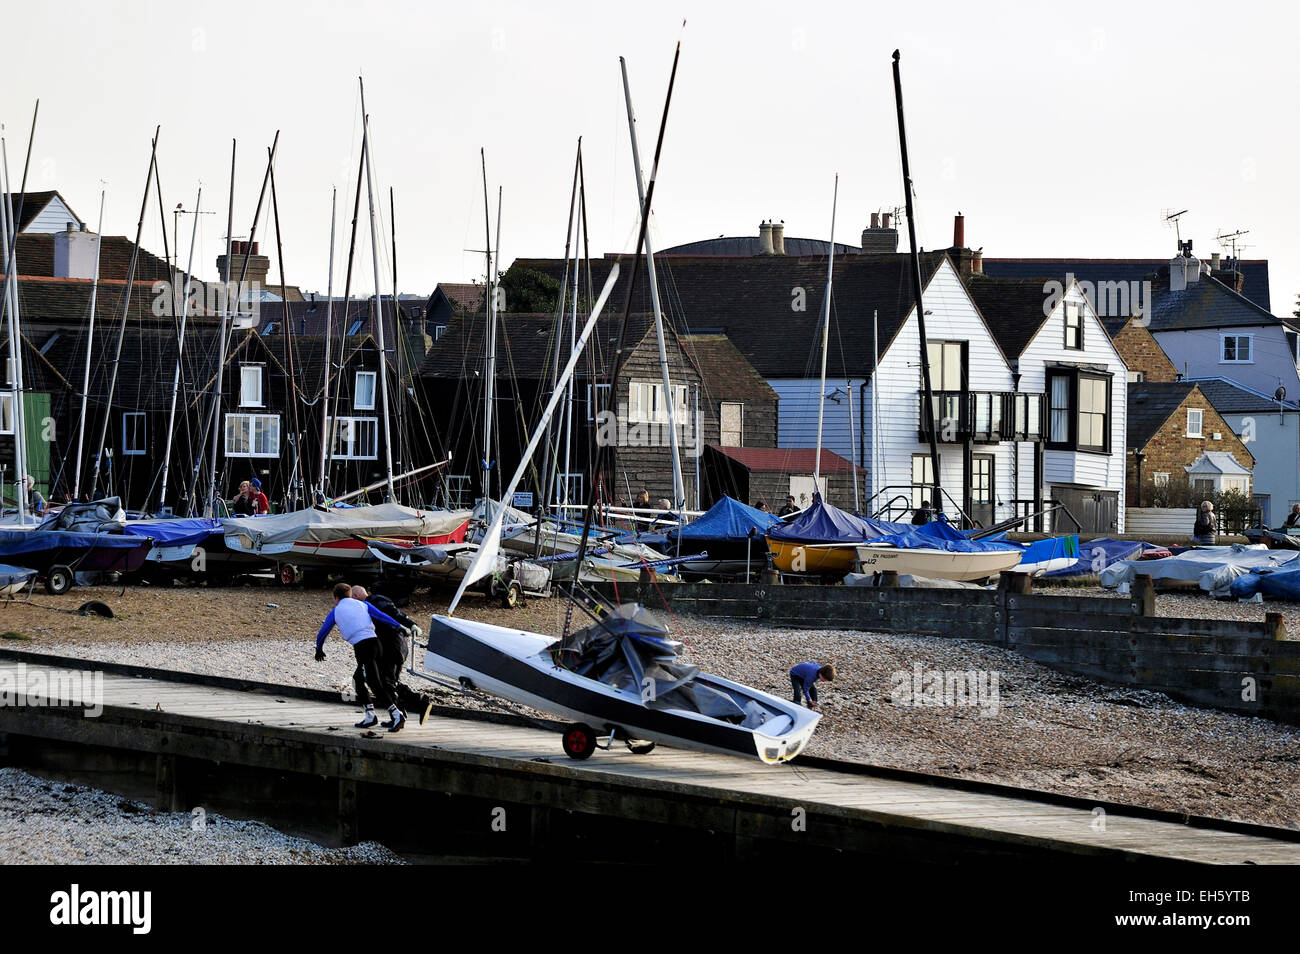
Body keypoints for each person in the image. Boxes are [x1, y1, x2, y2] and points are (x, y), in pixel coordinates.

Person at [313, 582, 407, 732]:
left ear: (335, 598)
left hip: (364, 647)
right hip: (376, 645)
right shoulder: (363, 605)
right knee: (358, 680)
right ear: (350, 595)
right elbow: (381, 616)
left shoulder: (336, 611)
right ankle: (371, 715)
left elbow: (323, 631)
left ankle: (397, 715)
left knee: (374, 683)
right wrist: (399, 626)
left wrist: (319, 649)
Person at [351, 585, 433, 725]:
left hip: (391, 648)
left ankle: (419, 702)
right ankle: (398, 716)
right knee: (387, 683)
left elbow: (394, 612)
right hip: (393, 647)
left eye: (352, 599)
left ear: (356, 596)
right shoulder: (370, 603)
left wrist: (411, 624)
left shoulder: (375, 601)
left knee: (383, 682)